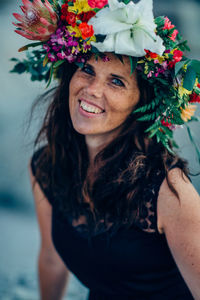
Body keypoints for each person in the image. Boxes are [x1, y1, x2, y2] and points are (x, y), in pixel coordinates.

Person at [12, 0, 200, 299]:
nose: (92, 90)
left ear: (141, 103)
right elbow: (51, 258)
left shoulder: (167, 191)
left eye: (116, 81)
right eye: (87, 69)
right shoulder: (47, 166)